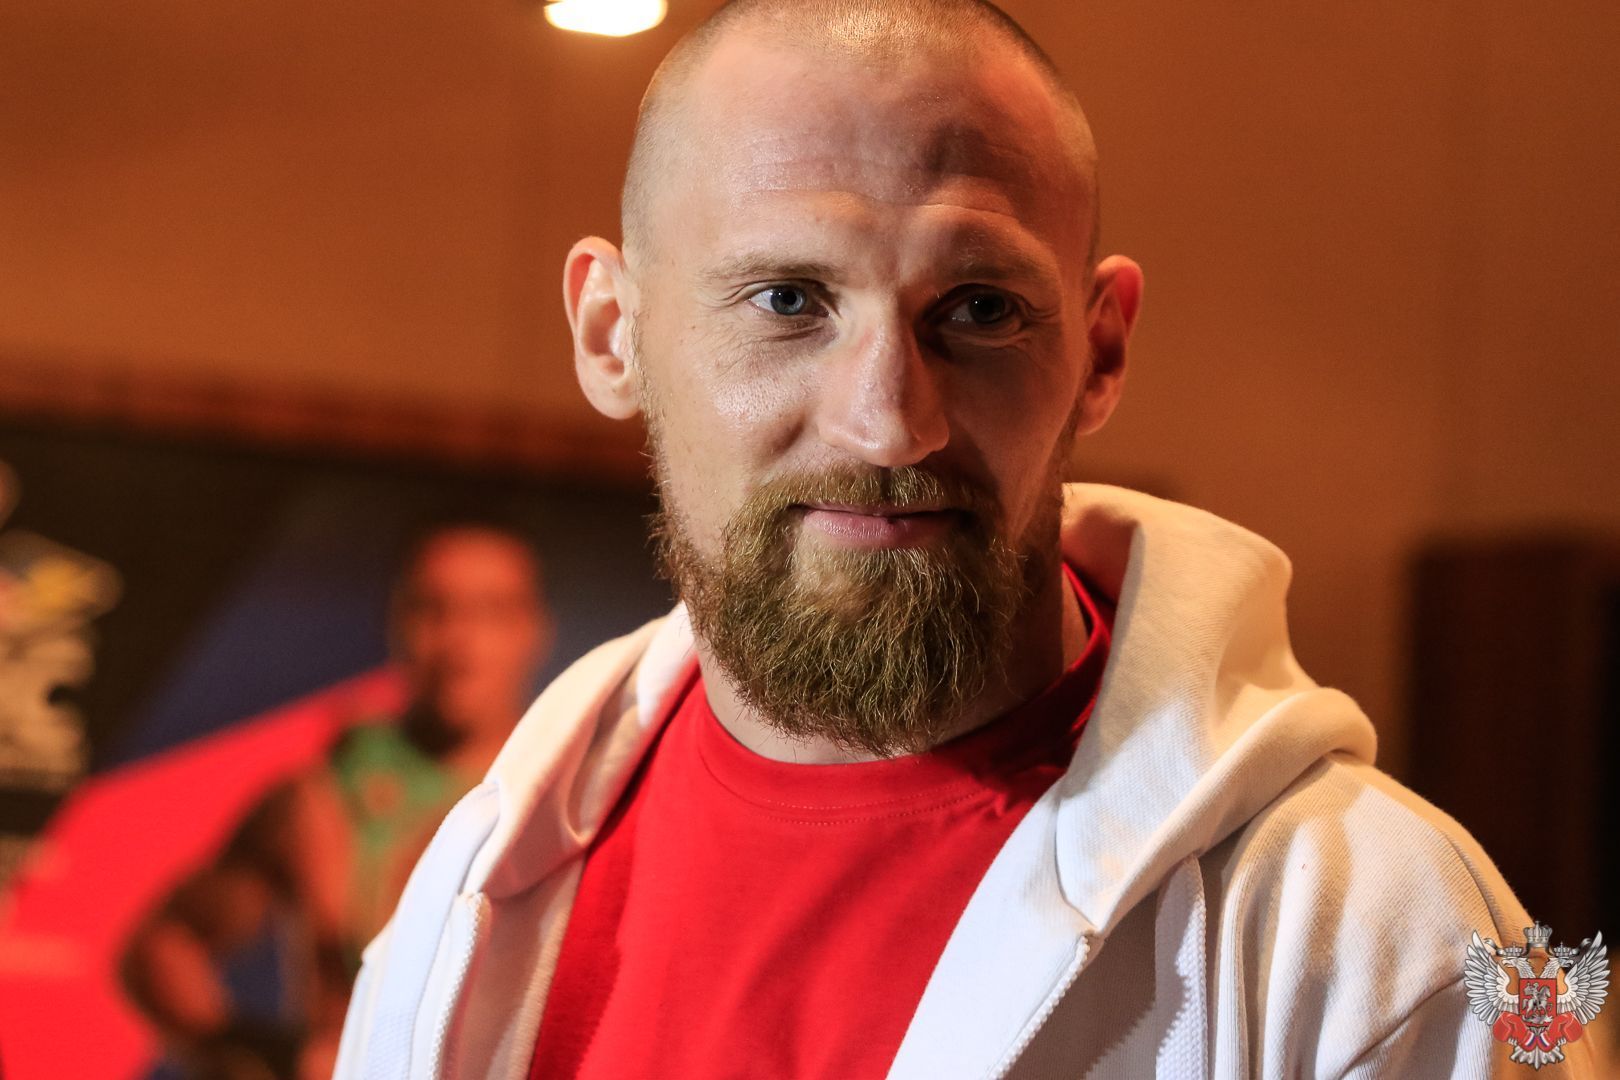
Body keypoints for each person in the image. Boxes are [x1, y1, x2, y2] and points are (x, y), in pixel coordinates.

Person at [335, 2, 1600, 1077]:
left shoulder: (1398, 941)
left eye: (980, 308)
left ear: (1099, 350)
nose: (890, 419)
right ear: (612, 335)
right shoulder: (465, 904)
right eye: (789, 299)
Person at [122, 514, 553, 1080]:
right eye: (434, 610)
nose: (460, 641)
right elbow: (164, 946)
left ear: (533, 630)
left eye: (490, 612)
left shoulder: (573, 799)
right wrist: (257, 1057)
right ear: (397, 622)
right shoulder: (323, 798)